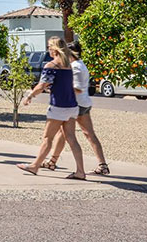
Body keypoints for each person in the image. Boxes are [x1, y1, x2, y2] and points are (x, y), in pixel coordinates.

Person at [17, 37, 87, 180]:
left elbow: (42, 85)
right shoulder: (69, 65)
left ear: (55, 49)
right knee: (72, 139)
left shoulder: (52, 66)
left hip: (58, 106)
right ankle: (80, 171)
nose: (48, 49)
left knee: (47, 138)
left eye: (49, 46)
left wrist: (30, 96)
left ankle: (35, 166)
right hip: (71, 105)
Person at [43, 40, 109, 175]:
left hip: (76, 104)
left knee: (68, 134)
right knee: (80, 134)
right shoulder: (79, 65)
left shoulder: (76, 67)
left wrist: (59, 90)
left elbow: (77, 88)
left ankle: (54, 162)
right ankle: (102, 165)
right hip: (83, 103)